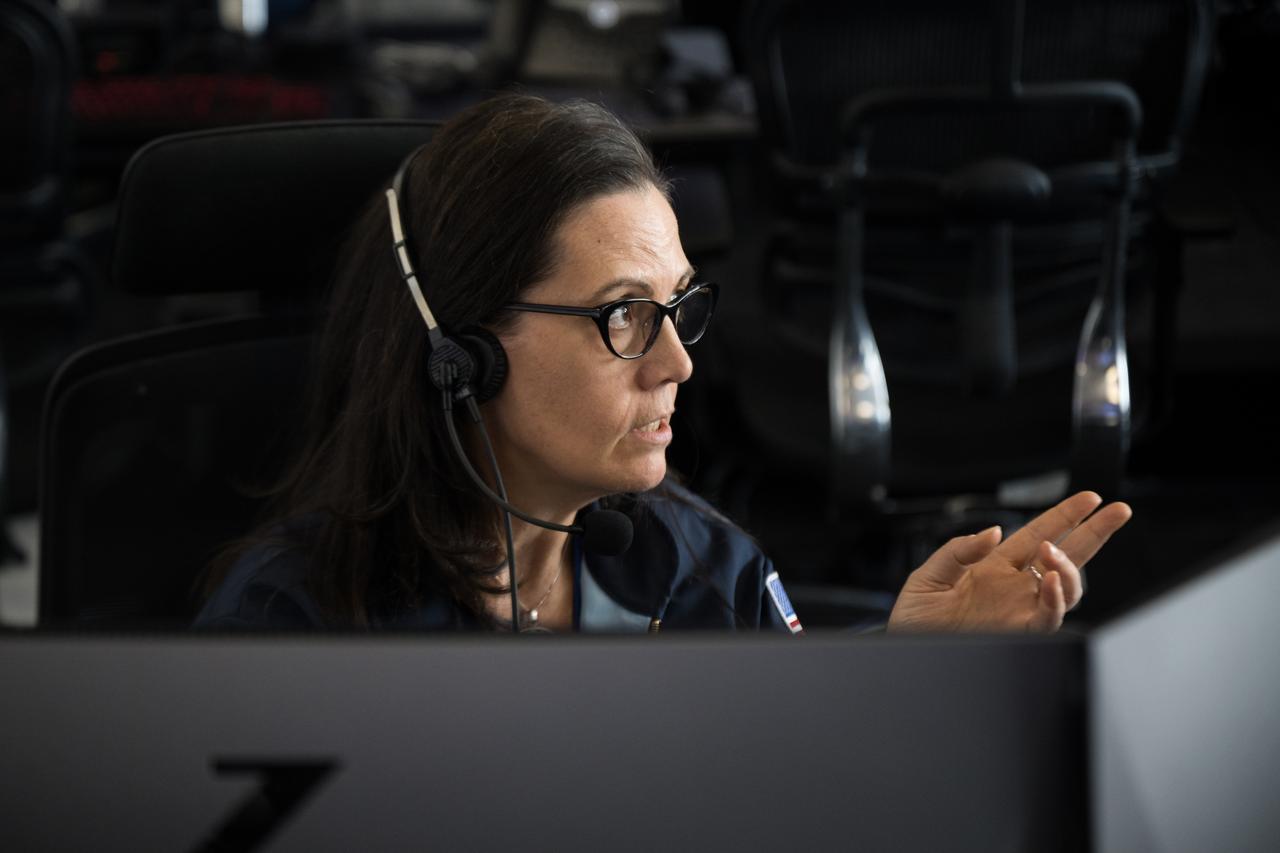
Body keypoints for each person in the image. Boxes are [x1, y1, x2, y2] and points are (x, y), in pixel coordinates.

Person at [195, 93, 1131, 633]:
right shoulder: (292, 622)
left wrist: (904, 666)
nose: (678, 362)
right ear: (460, 353)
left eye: (678, 306)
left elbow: (800, 791)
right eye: (622, 317)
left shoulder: (698, 566)